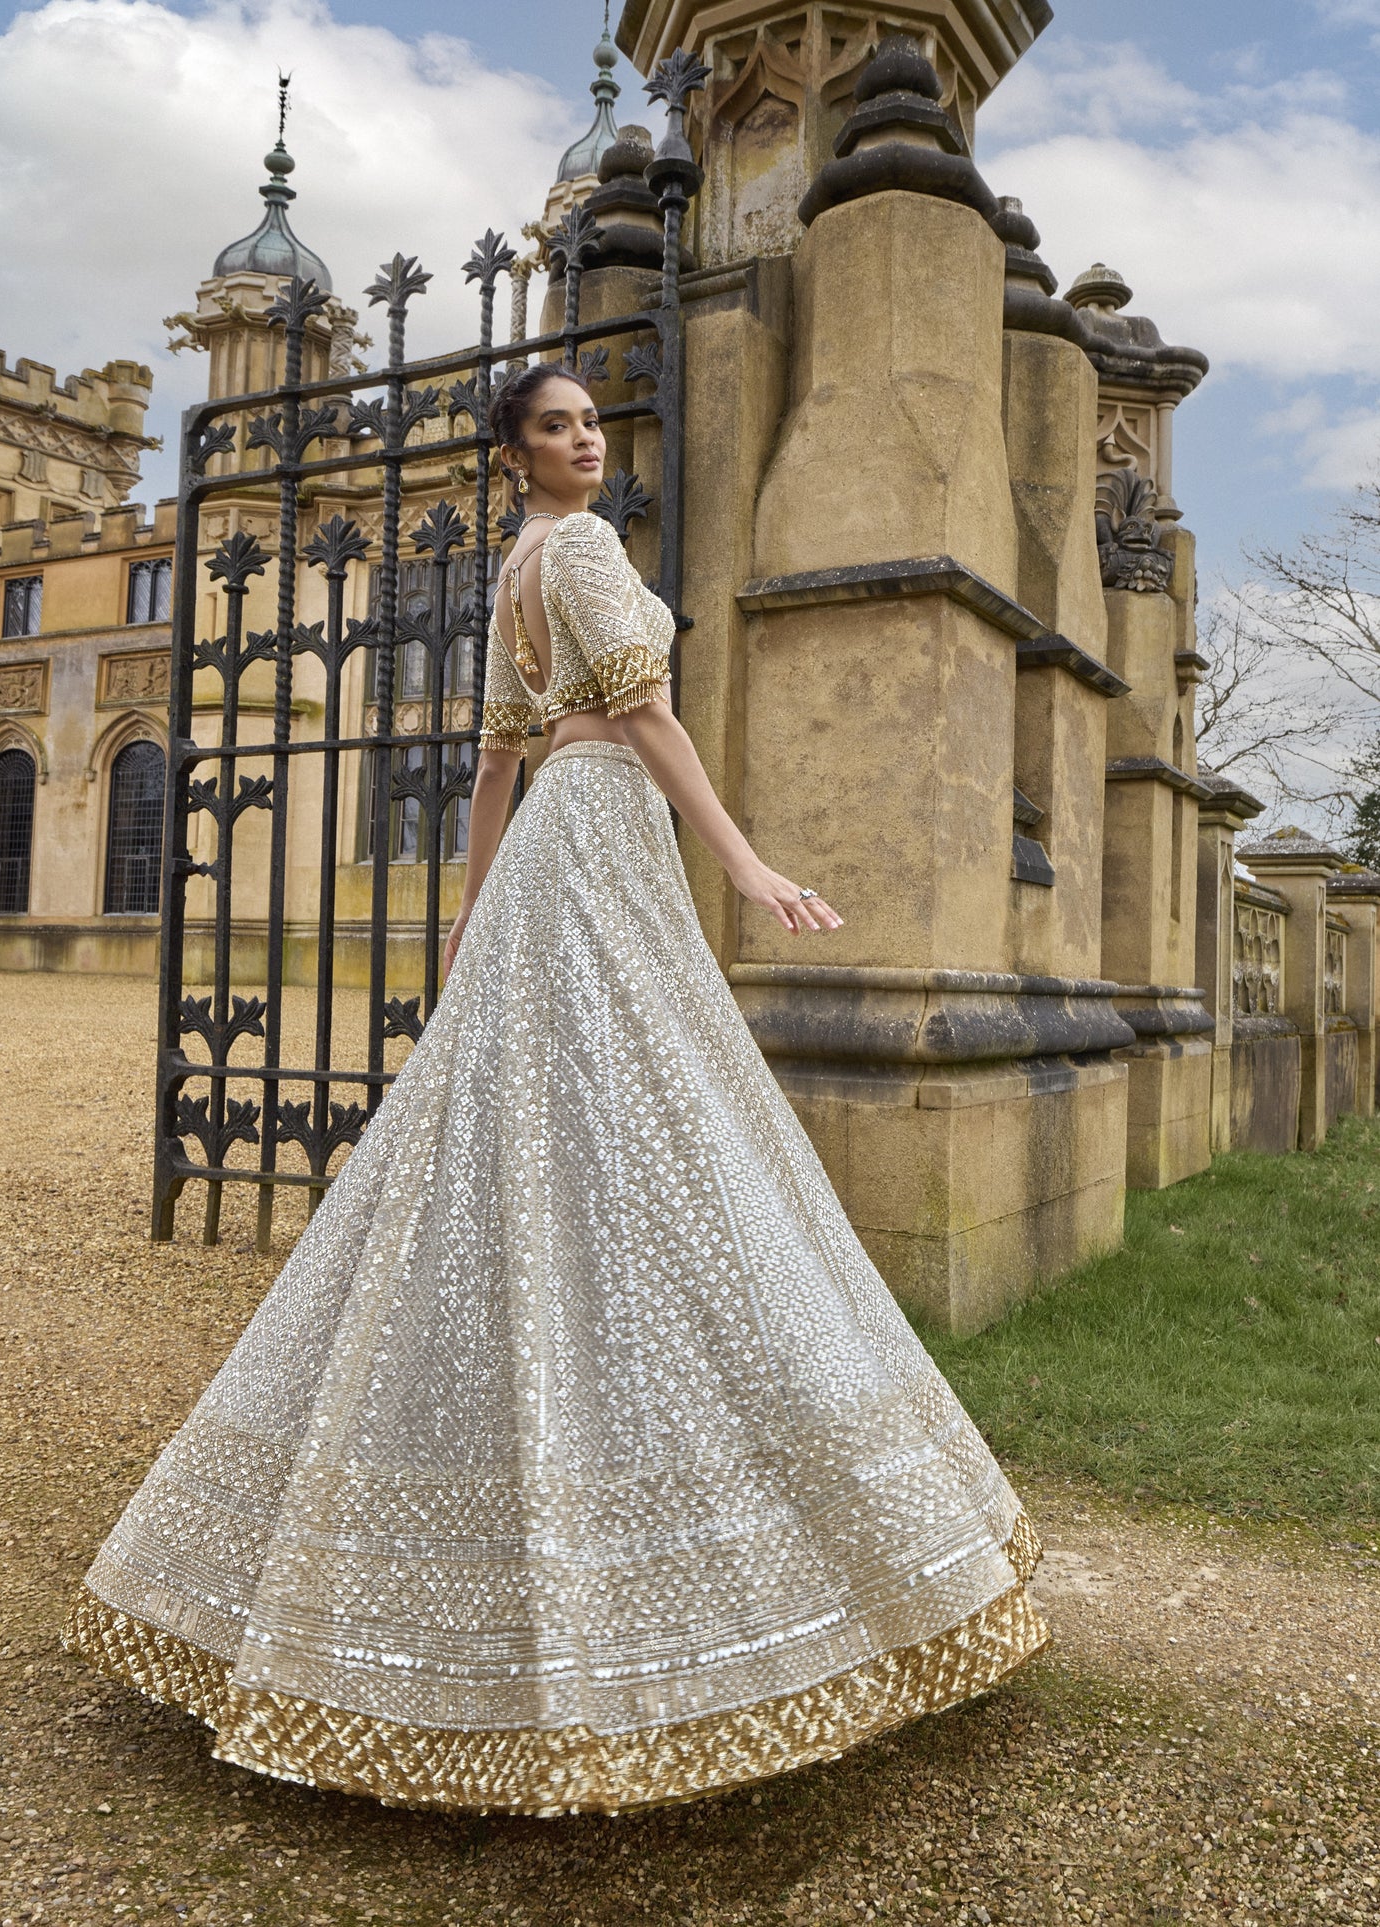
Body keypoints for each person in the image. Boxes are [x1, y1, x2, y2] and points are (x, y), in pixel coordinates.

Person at [62, 362, 1048, 1818]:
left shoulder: (511, 566)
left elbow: (488, 766)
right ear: (517, 454)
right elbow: (643, 722)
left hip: (548, 853)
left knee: (539, 1123)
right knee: (644, 1117)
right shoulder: (574, 548)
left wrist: (471, 908)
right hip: (602, 839)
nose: (584, 441)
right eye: (556, 427)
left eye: (592, 422)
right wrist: (748, 862)